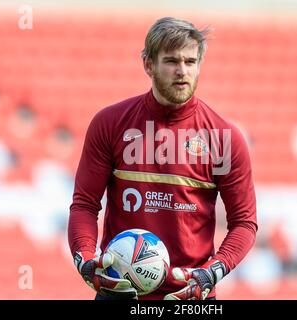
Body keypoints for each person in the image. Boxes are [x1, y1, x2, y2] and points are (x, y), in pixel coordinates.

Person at [68, 17, 257, 300]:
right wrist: (84, 256)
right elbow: (84, 204)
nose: (182, 71)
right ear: (148, 64)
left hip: (190, 296)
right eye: (171, 61)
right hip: (117, 292)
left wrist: (212, 272)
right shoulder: (109, 124)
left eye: (190, 62)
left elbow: (244, 222)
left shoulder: (224, 137)